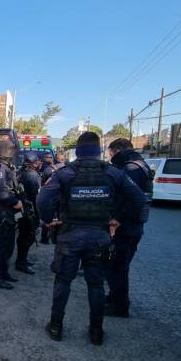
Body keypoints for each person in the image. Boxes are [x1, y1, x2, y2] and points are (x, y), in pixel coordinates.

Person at [37, 132, 146, 345]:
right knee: (96, 285)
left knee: (63, 282)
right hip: (99, 237)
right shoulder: (113, 173)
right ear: (98, 150)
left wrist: (49, 220)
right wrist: (118, 219)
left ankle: (56, 327)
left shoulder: (65, 173)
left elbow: (43, 197)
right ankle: (96, 332)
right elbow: (138, 198)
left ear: (78, 150)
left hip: (70, 236)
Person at [105, 138, 154, 318]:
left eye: (111, 153)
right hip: (134, 225)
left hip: (126, 227)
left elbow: (135, 198)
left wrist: (118, 218)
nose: (110, 157)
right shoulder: (141, 165)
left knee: (117, 266)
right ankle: (113, 298)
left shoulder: (130, 169)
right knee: (119, 265)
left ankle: (119, 306)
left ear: (117, 151)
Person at [0, 139, 24, 289]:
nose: (14, 154)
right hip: (1, 211)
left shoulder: (6, 166)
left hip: (8, 212)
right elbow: (0, 192)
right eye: (12, 152)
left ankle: (3, 272)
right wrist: (15, 202)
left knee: (7, 244)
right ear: (6, 152)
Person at [15, 152, 41, 275]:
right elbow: (36, 196)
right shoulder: (33, 175)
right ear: (34, 162)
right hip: (29, 211)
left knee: (22, 235)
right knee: (28, 236)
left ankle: (21, 260)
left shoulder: (19, 172)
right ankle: (21, 262)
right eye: (38, 161)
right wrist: (38, 215)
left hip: (20, 210)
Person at [40, 152, 66, 244]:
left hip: (51, 197)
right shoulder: (68, 169)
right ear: (64, 159)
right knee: (61, 218)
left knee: (48, 218)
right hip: (63, 199)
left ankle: (44, 238)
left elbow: (43, 185)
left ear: (55, 159)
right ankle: (58, 238)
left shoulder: (48, 170)